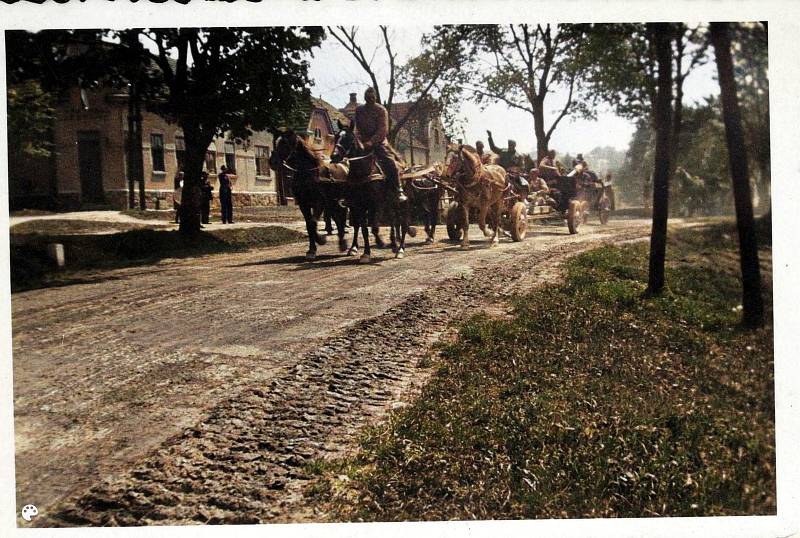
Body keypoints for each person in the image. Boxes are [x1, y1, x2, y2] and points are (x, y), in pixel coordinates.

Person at [354, 87, 406, 202]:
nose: (370, 99)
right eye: (368, 98)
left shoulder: (381, 110)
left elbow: (383, 130)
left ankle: (398, 189)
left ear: (375, 98)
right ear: (365, 98)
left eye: (372, 97)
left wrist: (371, 142)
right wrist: (359, 141)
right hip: (362, 143)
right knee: (349, 161)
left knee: (390, 162)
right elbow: (356, 128)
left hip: (378, 143)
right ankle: (348, 193)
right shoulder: (359, 110)